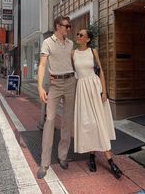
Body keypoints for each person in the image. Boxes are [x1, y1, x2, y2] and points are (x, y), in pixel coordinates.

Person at [72, 29, 122, 179]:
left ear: (87, 39)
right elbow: (69, 72)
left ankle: (111, 162)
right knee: (89, 124)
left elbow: (100, 72)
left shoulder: (93, 51)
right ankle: (92, 156)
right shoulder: (72, 53)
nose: (78, 36)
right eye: (78, 34)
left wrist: (105, 91)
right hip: (82, 89)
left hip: (95, 88)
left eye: (81, 35)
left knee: (99, 123)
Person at [37, 16, 76, 179]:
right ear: (58, 26)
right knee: (50, 120)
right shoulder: (47, 42)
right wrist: (40, 87)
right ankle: (44, 163)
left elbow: (74, 62)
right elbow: (42, 65)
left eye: (69, 27)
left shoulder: (71, 43)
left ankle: (62, 156)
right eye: (66, 26)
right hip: (55, 84)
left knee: (67, 121)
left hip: (70, 82)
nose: (68, 29)